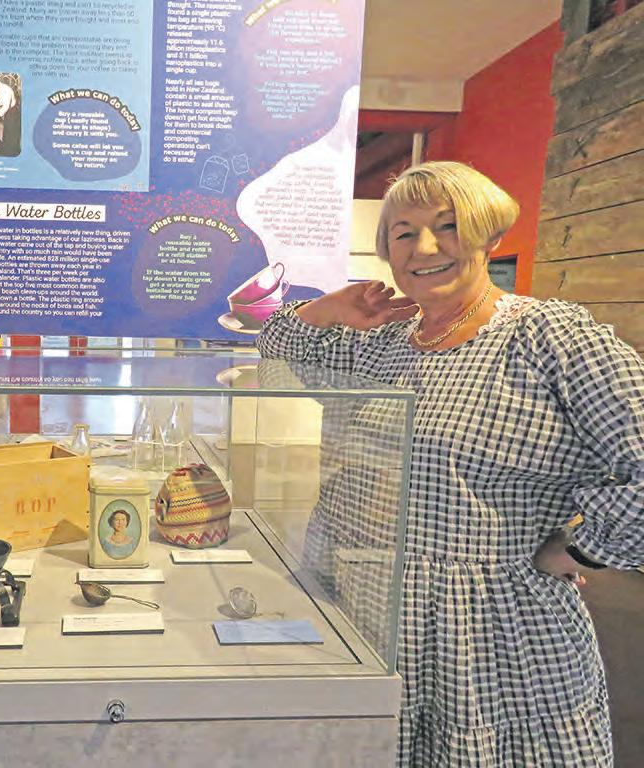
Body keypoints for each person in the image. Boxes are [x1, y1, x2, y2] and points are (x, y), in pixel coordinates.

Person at [256, 160, 643, 767]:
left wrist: (577, 551)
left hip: (488, 636)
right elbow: (276, 350)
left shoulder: (550, 338)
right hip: (365, 604)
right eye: (403, 232)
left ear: (488, 234)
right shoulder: (384, 343)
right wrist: (326, 308)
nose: (425, 247)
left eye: (448, 226)